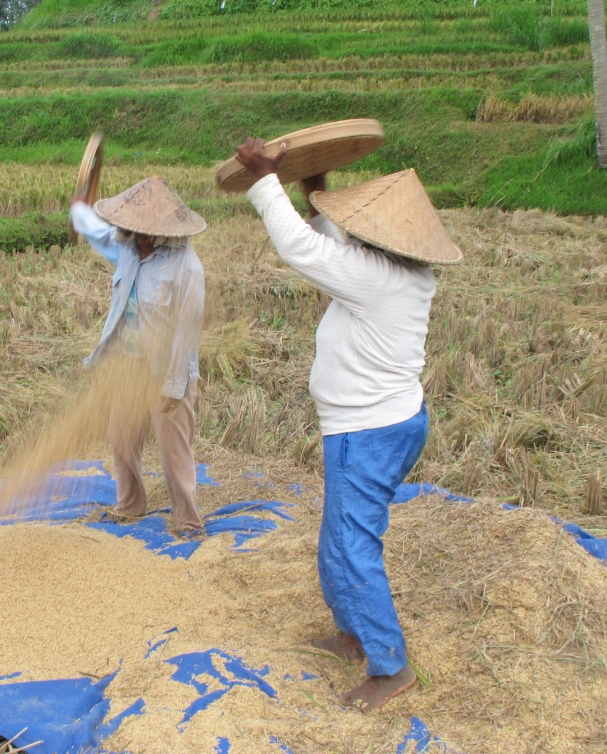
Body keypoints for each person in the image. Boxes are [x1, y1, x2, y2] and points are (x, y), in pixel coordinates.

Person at [233, 138, 462, 712]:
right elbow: (336, 242)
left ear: (379, 239)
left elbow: (303, 250)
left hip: (367, 432)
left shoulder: (374, 277)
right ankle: (352, 633)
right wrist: (314, 187)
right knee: (340, 537)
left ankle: (390, 666)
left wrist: (265, 181)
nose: (353, 232)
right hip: (385, 424)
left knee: (350, 544)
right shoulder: (406, 270)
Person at [69, 176, 208, 540]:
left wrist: (175, 386)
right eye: (131, 229)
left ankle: (189, 522)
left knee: (173, 449)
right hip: (128, 364)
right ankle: (130, 506)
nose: (136, 236)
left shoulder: (186, 266)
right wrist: (79, 210)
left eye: (143, 231)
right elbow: (100, 235)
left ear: (161, 231)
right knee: (121, 437)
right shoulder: (128, 247)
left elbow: (186, 332)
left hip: (166, 371)